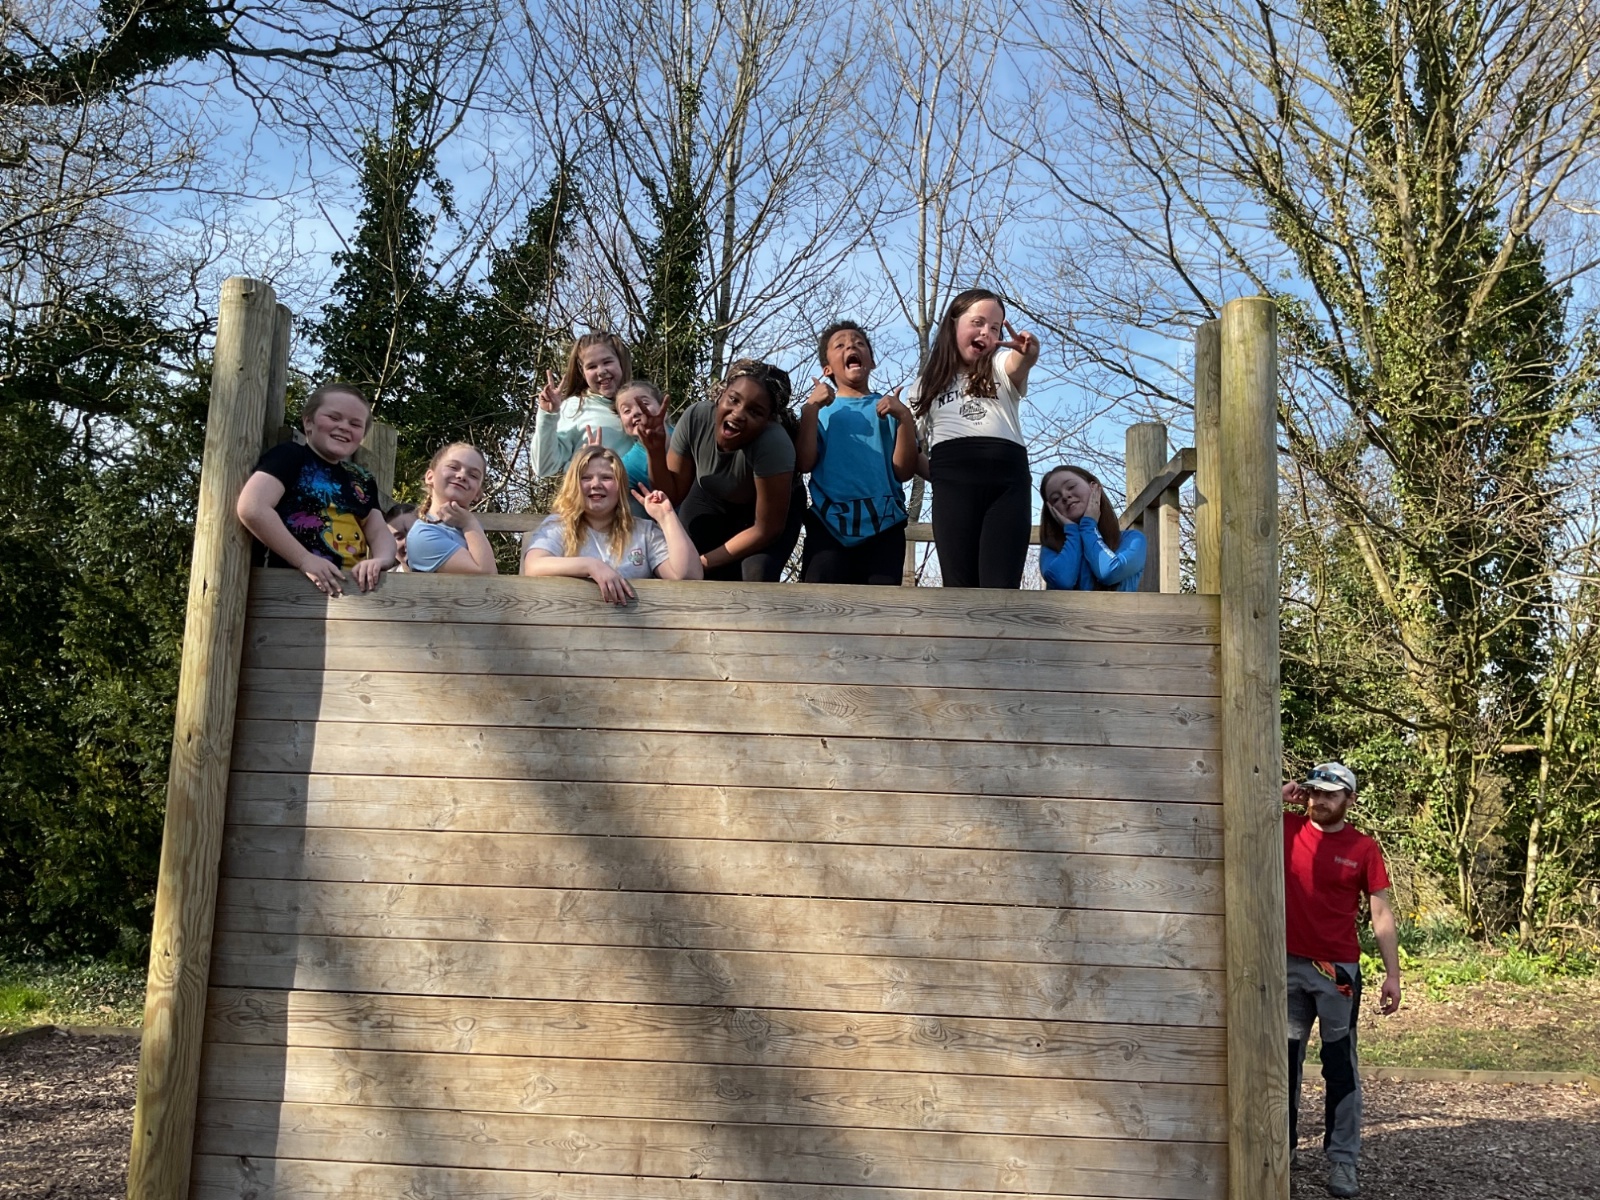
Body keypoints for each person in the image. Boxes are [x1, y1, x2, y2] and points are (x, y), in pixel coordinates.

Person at [1282, 762, 1402, 1199]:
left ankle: (1343, 1161)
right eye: (1314, 792)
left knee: (1339, 1065)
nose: (1319, 800)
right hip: (1285, 967)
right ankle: (1281, 1150)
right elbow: (1239, 817)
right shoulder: (1285, 828)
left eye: (1330, 794)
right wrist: (1277, 796)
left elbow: (1380, 913)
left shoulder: (1363, 848)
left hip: (1338, 974)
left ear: (1349, 799)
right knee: (1282, 1062)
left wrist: (1393, 975)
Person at [905, 288, 1040, 589]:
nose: (986, 332)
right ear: (953, 323)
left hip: (1007, 487)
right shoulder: (924, 386)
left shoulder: (999, 366)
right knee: (959, 585)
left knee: (1001, 587)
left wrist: (1028, 352)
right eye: (977, 322)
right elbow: (912, 452)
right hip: (953, 487)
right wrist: (941, 475)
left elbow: (1019, 363)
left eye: (995, 328)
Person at [641, 359, 805, 582]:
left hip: (766, 517)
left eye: (754, 412)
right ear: (721, 395)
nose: (738, 414)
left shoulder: (774, 444)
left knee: (755, 575)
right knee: (684, 568)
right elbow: (671, 495)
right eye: (733, 400)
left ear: (769, 420)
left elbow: (766, 529)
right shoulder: (696, 418)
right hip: (710, 497)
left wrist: (703, 562)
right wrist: (655, 451)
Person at [235, 382, 397, 595]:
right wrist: (304, 560)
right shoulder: (290, 456)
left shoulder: (362, 478)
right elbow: (253, 507)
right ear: (308, 422)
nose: (344, 427)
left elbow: (378, 531)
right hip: (291, 588)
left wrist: (381, 559)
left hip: (351, 591)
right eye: (334, 417)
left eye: (355, 424)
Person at [795, 321, 918, 585]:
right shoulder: (819, 411)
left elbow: (904, 471)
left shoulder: (889, 409)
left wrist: (905, 418)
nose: (851, 346)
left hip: (885, 528)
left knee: (879, 607)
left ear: (871, 362)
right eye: (840, 345)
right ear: (827, 369)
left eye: (859, 343)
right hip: (827, 526)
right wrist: (810, 408)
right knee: (818, 603)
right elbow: (804, 463)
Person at [521, 444, 702, 602]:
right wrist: (591, 566)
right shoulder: (558, 526)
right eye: (586, 478)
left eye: (606, 478)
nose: (596, 484)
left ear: (620, 487)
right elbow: (533, 566)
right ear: (574, 485)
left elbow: (689, 576)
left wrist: (666, 516)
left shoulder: (644, 532)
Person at [532, 332, 635, 480]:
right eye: (592, 366)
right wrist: (548, 415)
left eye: (607, 362)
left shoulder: (643, 403)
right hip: (594, 493)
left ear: (621, 362)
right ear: (582, 372)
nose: (601, 371)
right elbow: (544, 467)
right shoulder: (574, 408)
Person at [1038, 464, 1146, 591]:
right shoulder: (1050, 549)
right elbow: (1063, 581)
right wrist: (1073, 533)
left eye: (1071, 486)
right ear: (1051, 510)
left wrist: (1088, 527)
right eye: (1055, 499)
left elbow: (1109, 572)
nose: (1065, 496)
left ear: (1094, 487)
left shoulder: (1133, 539)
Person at [405, 442, 498, 575]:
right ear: (430, 477)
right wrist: (469, 523)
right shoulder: (422, 535)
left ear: (478, 493)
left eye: (473, 475)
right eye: (453, 467)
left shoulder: (470, 530)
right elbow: (486, 576)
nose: (462, 476)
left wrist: (469, 524)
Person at [615, 380, 672, 513]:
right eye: (627, 411)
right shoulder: (627, 467)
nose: (636, 412)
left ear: (663, 409)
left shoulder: (686, 435)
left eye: (645, 403)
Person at [384, 502, 418, 570]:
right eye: (399, 537)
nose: (407, 542)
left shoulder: (441, 572)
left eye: (414, 533)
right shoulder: (385, 576)